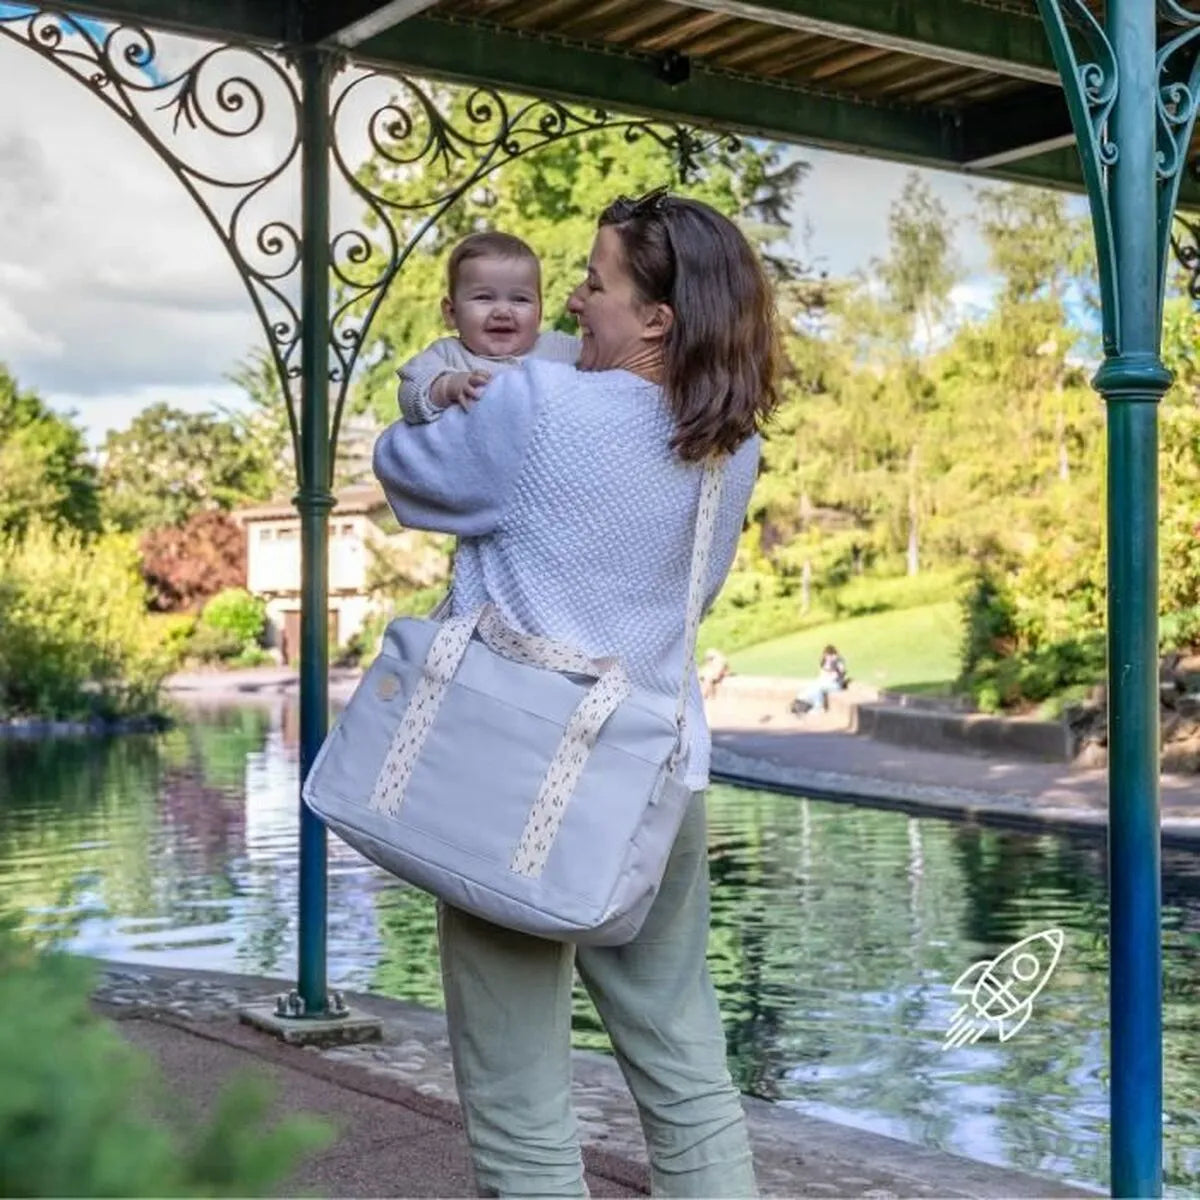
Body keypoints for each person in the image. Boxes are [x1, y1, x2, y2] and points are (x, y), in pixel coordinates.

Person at [373, 186, 780, 1198]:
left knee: (518, 1088)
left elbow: (407, 476)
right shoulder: (734, 444)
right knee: (684, 1059)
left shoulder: (537, 407)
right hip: (661, 774)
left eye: (593, 287)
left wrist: (440, 390)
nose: (567, 311)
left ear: (656, 318)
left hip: (521, 774)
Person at [396, 230, 578, 423]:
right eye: (484, 298)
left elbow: (608, 365)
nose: (502, 312)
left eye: (519, 299)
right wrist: (448, 386)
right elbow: (409, 393)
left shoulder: (558, 348)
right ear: (452, 313)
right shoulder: (447, 354)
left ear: (539, 313)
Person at [791, 644, 848, 715]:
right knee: (813, 687)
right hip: (826, 683)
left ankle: (819, 708)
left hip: (836, 685)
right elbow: (822, 675)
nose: (828, 657)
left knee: (819, 688)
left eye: (830, 655)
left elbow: (842, 672)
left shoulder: (838, 661)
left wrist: (835, 665)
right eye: (827, 655)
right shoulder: (824, 662)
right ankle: (805, 704)